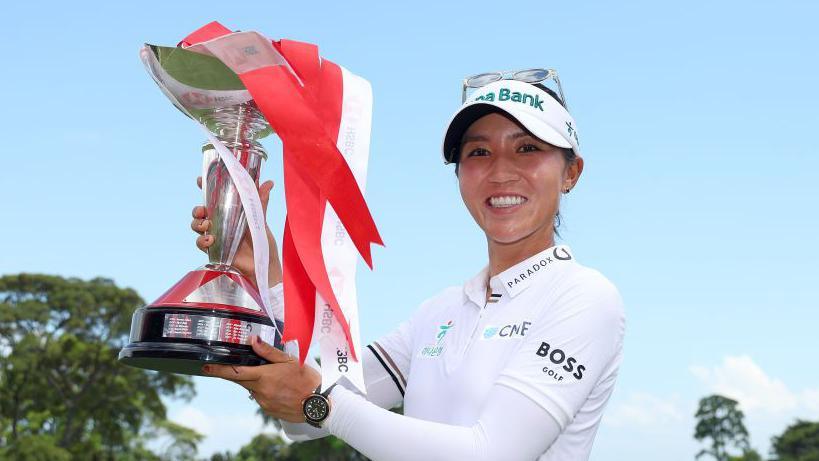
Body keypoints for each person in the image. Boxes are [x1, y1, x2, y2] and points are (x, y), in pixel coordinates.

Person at [191, 69, 625, 460]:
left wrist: (318, 402)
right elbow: (304, 418)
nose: (500, 172)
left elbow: (491, 454)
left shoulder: (585, 297)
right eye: (478, 153)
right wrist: (263, 270)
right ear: (458, 174)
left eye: (527, 148)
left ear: (571, 173)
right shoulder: (439, 313)